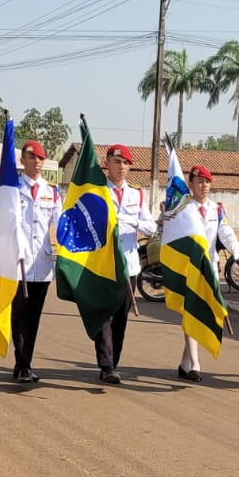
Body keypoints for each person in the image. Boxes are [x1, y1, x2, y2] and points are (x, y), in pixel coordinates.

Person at [94, 144, 156, 385]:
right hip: (103, 263)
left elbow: (150, 226)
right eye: (116, 162)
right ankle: (106, 365)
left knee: (121, 318)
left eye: (125, 163)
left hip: (128, 265)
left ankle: (113, 362)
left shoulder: (136, 194)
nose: (121, 167)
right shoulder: (98, 192)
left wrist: (124, 220)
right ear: (107, 164)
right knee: (104, 317)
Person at [177, 163, 239, 381]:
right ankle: (195, 362)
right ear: (191, 184)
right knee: (190, 310)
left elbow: (225, 232)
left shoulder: (217, 209)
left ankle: (186, 361)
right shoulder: (182, 208)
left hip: (210, 267)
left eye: (207, 182)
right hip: (188, 267)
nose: (204, 186)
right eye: (200, 182)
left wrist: (236, 250)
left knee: (205, 311)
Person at [10, 139, 62, 383]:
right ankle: (22, 365)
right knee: (19, 315)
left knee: (34, 318)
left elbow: (60, 225)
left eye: (40, 158)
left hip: (41, 264)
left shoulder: (51, 191)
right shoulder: (11, 188)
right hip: (17, 262)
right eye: (32, 158)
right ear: (23, 161)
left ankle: (25, 363)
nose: (37, 162)